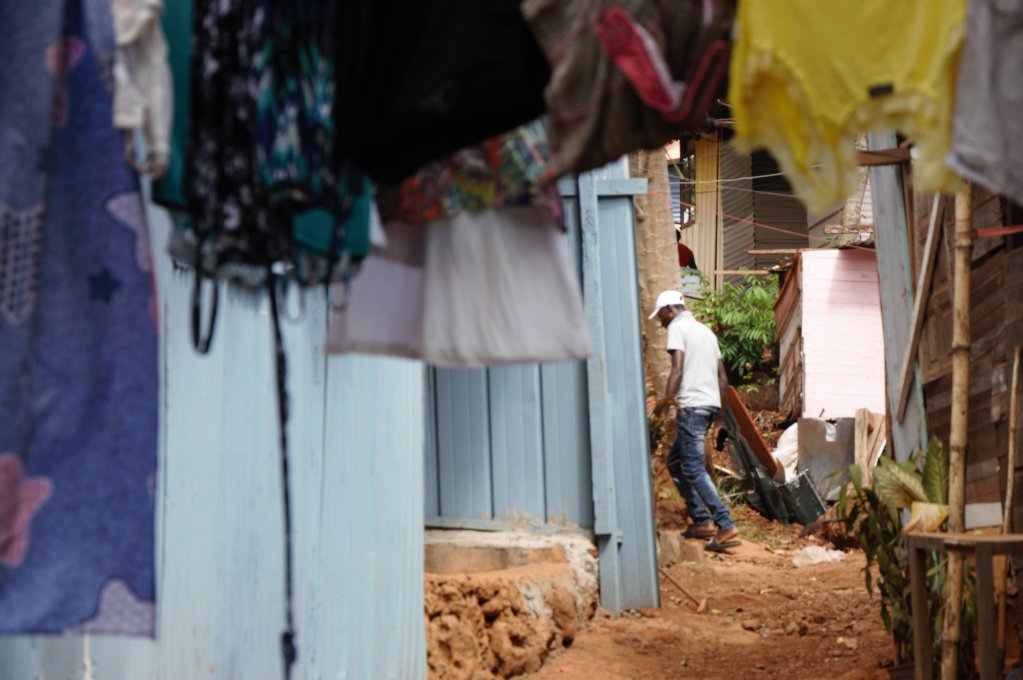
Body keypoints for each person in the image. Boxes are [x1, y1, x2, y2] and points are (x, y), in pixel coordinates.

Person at [649, 290, 740, 552]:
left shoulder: (678, 328)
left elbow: (676, 369)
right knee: (675, 462)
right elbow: (723, 378)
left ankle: (725, 524)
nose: (661, 322)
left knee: (691, 466)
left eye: (661, 317)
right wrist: (720, 418)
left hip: (691, 407)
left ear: (669, 310)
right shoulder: (706, 332)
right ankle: (701, 520)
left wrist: (664, 405)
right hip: (709, 405)